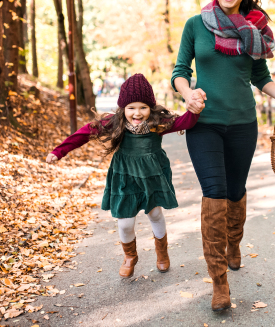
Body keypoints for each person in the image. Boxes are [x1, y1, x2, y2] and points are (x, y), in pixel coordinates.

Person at [171, 0, 275, 311]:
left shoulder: (254, 29)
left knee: (235, 191)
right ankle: (219, 282)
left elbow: (260, 76)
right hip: (204, 124)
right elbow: (180, 71)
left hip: (243, 125)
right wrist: (188, 94)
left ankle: (234, 242)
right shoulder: (195, 25)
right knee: (214, 193)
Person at [46, 74, 203, 278]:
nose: (137, 113)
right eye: (131, 108)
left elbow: (185, 122)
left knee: (155, 214)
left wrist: (195, 109)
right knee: (125, 222)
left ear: (151, 108)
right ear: (123, 108)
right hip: (125, 176)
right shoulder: (115, 122)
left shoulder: (157, 122)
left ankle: (162, 253)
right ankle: (130, 256)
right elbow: (85, 133)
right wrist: (59, 151)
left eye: (143, 107)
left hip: (151, 175)